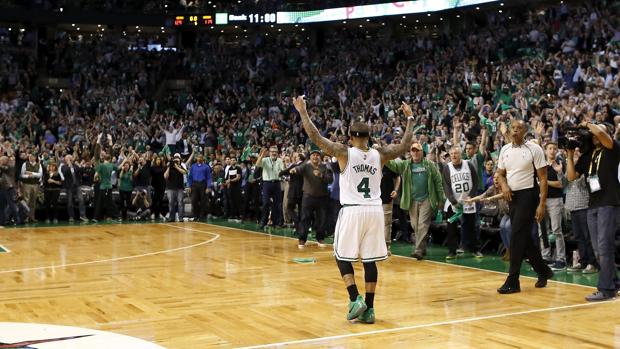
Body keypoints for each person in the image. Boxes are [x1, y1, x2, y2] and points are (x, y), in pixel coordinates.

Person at [293, 95, 415, 324]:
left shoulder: (343, 151)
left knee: (341, 255)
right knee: (370, 261)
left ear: (350, 137)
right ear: (369, 136)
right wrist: (409, 118)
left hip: (352, 210)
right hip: (375, 211)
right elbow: (406, 145)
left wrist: (302, 111)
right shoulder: (381, 154)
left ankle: (354, 297)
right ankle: (369, 308)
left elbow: (315, 136)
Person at [495, 120, 553, 294]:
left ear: (525, 132)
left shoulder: (534, 149)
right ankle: (543, 271)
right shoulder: (504, 150)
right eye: (513, 128)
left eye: (519, 128)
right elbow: (499, 174)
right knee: (524, 238)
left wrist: (542, 204)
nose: (515, 131)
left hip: (529, 195)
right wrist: (503, 185)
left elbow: (543, 178)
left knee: (516, 235)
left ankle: (513, 280)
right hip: (512, 197)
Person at [566, 122, 620, 301]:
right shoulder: (589, 154)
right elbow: (571, 177)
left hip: (609, 203)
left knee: (604, 247)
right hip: (593, 204)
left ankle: (606, 290)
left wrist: (588, 123)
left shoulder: (612, 148)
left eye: (597, 130)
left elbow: (602, 134)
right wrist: (569, 155)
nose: (593, 134)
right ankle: (614, 283)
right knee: (598, 249)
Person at [386, 142, 444, 260]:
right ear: (410, 152)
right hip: (412, 200)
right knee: (415, 225)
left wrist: (441, 200)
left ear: (422, 152)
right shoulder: (406, 164)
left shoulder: (430, 165)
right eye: (413, 150)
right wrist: (384, 157)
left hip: (427, 199)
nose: (415, 152)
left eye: (417, 150)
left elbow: (438, 182)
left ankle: (418, 250)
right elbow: (393, 166)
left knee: (422, 224)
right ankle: (422, 248)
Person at [281, 147, 333, 248]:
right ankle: (302, 239)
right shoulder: (306, 166)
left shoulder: (326, 167)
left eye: (317, 155)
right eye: (313, 155)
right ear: (310, 157)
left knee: (321, 220)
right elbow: (298, 169)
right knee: (305, 218)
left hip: (322, 197)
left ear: (320, 157)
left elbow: (330, 180)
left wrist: (321, 175)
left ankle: (320, 239)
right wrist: (293, 170)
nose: (315, 157)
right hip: (308, 197)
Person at [441, 145, 483, 259]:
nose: (454, 155)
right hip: (452, 203)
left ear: (461, 154)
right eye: (452, 154)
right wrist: (452, 200)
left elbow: (476, 181)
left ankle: (475, 249)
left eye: (456, 153)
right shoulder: (447, 167)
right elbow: (446, 186)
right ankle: (452, 251)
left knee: (471, 227)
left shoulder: (468, 164)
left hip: (468, 201)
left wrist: (471, 196)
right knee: (451, 228)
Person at [564, 148, 596, 274]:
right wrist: (561, 172)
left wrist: (574, 165)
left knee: (587, 236)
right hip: (572, 206)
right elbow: (563, 184)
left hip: (584, 206)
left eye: (577, 152)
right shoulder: (569, 168)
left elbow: (583, 184)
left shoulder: (585, 168)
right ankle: (583, 261)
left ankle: (592, 263)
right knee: (578, 237)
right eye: (573, 152)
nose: (575, 153)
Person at [540, 142, 567, 270]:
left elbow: (562, 184)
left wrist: (545, 182)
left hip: (555, 200)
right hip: (542, 201)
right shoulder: (540, 166)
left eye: (554, 149)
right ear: (545, 151)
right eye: (550, 148)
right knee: (543, 231)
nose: (552, 150)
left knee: (557, 231)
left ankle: (561, 259)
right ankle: (545, 257)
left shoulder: (560, 165)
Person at [255, 146, 285, 229]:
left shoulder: (280, 160)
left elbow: (282, 170)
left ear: (277, 153)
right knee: (265, 203)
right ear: (269, 152)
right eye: (272, 151)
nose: (274, 153)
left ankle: (276, 222)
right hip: (267, 183)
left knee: (277, 204)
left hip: (276, 183)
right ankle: (263, 222)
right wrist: (262, 156)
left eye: (275, 151)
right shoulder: (265, 159)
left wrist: (284, 166)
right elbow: (257, 165)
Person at [59, 154, 88, 222]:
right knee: (70, 202)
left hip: (77, 185)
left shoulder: (75, 165)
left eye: (71, 158)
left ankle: (82, 215)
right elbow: (65, 173)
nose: (70, 159)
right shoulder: (63, 166)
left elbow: (81, 171)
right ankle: (71, 216)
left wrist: (79, 165)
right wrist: (69, 166)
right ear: (66, 160)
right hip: (69, 187)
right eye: (69, 158)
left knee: (81, 200)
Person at [187, 153, 212, 221]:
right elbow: (190, 177)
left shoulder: (206, 167)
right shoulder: (193, 166)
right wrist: (189, 186)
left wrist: (208, 187)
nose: (200, 158)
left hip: (203, 184)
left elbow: (209, 177)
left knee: (203, 201)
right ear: (196, 158)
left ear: (203, 158)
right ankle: (195, 215)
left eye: (201, 157)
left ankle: (202, 216)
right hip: (194, 184)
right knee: (194, 200)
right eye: (198, 157)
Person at [19, 153, 42, 223]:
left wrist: (30, 173)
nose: (31, 158)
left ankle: (32, 217)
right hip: (27, 184)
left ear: (35, 158)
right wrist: (28, 176)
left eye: (33, 156)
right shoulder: (25, 164)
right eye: (30, 156)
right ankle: (25, 217)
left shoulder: (39, 165)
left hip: (35, 185)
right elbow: (22, 174)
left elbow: (40, 175)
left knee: (33, 202)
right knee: (26, 201)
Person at [164, 153, 187, 222]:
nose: (176, 161)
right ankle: (171, 217)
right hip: (170, 188)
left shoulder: (181, 166)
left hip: (179, 188)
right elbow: (165, 176)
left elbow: (184, 172)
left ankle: (180, 217)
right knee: (171, 203)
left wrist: (177, 166)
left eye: (178, 159)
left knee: (180, 203)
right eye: (175, 159)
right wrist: (169, 166)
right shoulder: (170, 167)